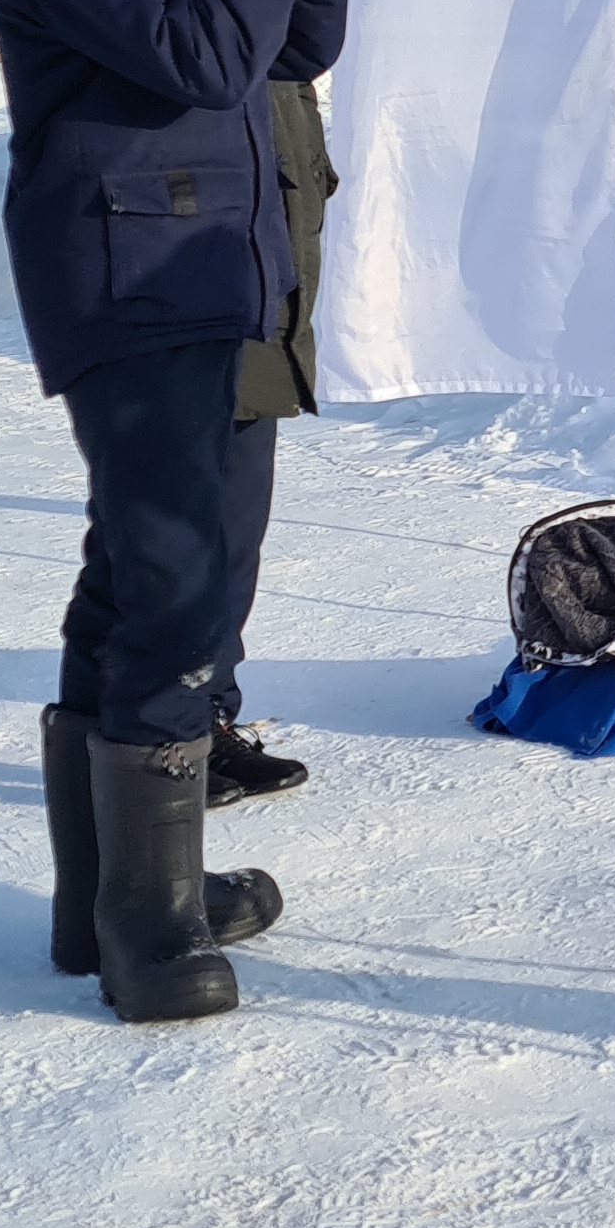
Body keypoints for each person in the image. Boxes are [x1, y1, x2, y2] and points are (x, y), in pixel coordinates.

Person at [0, 0, 350, 1023]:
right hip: (131, 285)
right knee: (178, 585)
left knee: (146, 573)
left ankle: (106, 902)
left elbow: (293, 42)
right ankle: (149, 927)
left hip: (197, 273)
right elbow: (203, 54)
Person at [205, 65, 338, 801]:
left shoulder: (280, 67)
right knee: (168, 553)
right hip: (184, 338)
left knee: (229, 544)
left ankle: (204, 722)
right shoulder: (193, 29)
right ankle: (151, 744)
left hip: (263, 339)